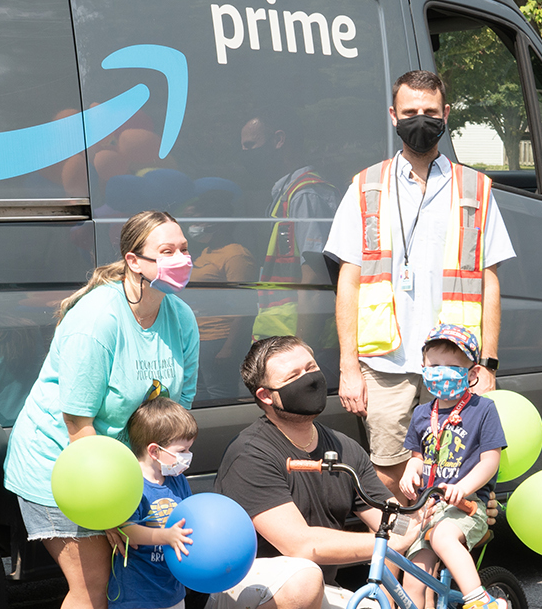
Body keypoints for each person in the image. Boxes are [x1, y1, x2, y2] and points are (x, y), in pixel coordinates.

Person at [2, 211, 199, 609]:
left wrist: (157, 478)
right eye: (166, 251)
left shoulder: (180, 317)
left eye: (183, 247)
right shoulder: (97, 320)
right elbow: (79, 423)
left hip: (126, 465)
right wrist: (110, 512)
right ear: (134, 261)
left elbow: (175, 410)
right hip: (65, 463)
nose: (180, 259)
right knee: (91, 584)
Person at [202, 336, 415, 609]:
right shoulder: (252, 452)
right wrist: (385, 542)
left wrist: (439, 518)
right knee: (304, 572)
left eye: (312, 367)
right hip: (242, 594)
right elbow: (301, 545)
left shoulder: (344, 448)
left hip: (316, 597)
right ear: (266, 395)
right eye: (295, 375)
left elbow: (394, 523)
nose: (311, 378)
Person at [326, 70, 515, 500]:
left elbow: (489, 281)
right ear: (393, 116)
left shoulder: (476, 188)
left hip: (455, 363)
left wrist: (488, 364)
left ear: (446, 115)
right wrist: (348, 367)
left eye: (430, 112)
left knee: (459, 466)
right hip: (386, 362)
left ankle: (437, 558)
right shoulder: (366, 186)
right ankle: (402, 560)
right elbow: (349, 280)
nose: (420, 119)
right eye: (410, 111)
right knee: (390, 472)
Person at [394, 325, 510, 609]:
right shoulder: (421, 413)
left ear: (470, 373)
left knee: (444, 537)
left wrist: (464, 488)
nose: (438, 375)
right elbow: (418, 457)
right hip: (429, 508)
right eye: (431, 367)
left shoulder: (482, 409)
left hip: (467, 506)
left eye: (449, 368)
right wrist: (410, 471)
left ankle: (479, 604)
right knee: (413, 575)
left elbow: (490, 461)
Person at [107, 398, 202, 609]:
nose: (186, 457)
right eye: (182, 450)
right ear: (154, 449)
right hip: (136, 586)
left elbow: (191, 518)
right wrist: (164, 536)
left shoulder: (176, 481)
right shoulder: (133, 484)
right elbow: (127, 529)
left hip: (169, 585)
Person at [240, 109, 337, 346]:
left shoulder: (305, 195)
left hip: (302, 345)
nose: (244, 154)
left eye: (250, 145)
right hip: (282, 341)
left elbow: (314, 282)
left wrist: (304, 349)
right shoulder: (284, 194)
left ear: (279, 140)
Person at [186, 193, 255, 402]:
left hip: (219, 339)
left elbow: (245, 306)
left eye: (202, 219)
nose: (195, 225)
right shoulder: (207, 251)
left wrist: (229, 347)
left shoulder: (236, 255)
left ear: (221, 223)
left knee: (220, 395)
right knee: (198, 395)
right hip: (199, 338)